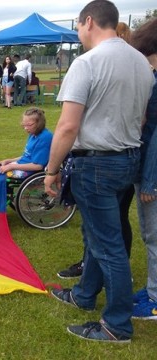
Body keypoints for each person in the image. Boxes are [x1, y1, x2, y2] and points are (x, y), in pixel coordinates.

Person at [44, 0, 153, 343]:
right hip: (127, 158)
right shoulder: (140, 61)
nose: (78, 34)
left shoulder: (87, 62)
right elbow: (142, 118)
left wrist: (50, 170)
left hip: (97, 163)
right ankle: (84, 294)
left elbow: (67, 126)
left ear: (88, 22)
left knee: (109, 245)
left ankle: (117, 325)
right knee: (99, 235)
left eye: (78, 27)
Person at [129, 16, 157, 320]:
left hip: (153, 173)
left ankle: (155, 299)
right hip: (149, 169)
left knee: (154, 236)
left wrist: (149, 181)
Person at [0, 107, 52, 178]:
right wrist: (9, 161)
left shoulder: (44, 138)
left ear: (39, 123)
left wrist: (12, 166)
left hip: (29, 171)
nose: (25, 128)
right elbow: (27, 156)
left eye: (29, 125)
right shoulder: (33, 134)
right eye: (24, 125)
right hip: (22, 165)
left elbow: (38, 166)